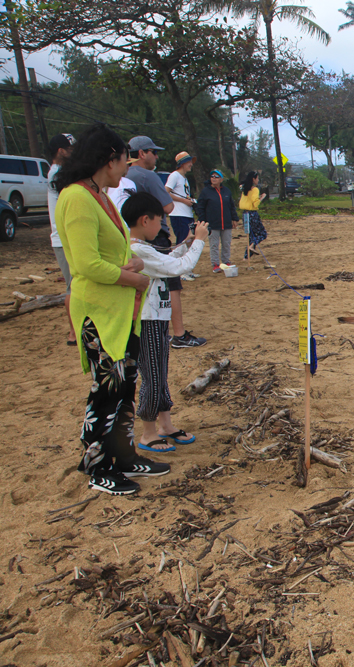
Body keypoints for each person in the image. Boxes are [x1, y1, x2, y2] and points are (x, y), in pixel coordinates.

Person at [54, 123, 171, 495]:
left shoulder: (101, 196)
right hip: (100, 314)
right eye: (124, 158)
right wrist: (134, 278)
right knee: (106, 391)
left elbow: (118, 252)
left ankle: (124, 455)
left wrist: (133, 267)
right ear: (110, 159)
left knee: (125, 388)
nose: (128, 165)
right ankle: (97, 465)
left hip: (123, 314)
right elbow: (87, 265)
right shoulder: (76, 198)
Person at [124, 192, 209, 453]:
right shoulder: (137, 249)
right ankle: (149, 433)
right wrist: (199, 243)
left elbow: (169, 259)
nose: (161, 226)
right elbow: (179, 267)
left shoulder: (144, 248)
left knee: (159, 373)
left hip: (158, 320)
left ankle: (166, 426)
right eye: (160, 221)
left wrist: (186, 242)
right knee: (151, 376)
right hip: (147, 322)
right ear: (145, 219)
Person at [128, 136, 206, 349]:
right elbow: (168, 206)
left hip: (135, 237)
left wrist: (183, 244)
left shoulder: (124, 177)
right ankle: (178, 334)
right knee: (171, 281)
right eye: (153, 152)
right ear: (142, 153)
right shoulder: (148, 176)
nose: (157, 156)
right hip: (155, 234)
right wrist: (198, 240)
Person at [46, 133, 76, 346]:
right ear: (60, 150)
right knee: (72, 287)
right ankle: (73, 333)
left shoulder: (60, 173)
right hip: (62, 239)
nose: (73, 151)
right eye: (70, 148)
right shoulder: (57, 175)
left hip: (66, 238)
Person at [195, 169, 239, 272]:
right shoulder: (206, 192)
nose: (213, 178)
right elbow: (200, 207)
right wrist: (203, 220)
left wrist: (234, 218)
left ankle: (226, 261)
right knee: (214, 244)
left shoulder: (227, 191)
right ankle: (215, 264)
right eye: (212, 176)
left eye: (216, 176)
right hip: (212, 223)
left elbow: (231, 206)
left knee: (226, 243)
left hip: (226, 223)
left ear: (221, 179)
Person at [165, 152, 199, 281]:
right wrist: (183, 201)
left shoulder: (184, 178)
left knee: (189, 241)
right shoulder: (174, 176)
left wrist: (189, 200)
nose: (191, 165)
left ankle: (187, 269)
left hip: (187, 213)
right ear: (183, 163)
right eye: (189, 162)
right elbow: (166, 191)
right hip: (178, 214)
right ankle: (181, 271)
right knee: (182, 242)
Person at [239, 170, 267, 261]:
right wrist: (261, 198)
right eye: (257, 178)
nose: (258, 180)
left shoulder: (244, 189)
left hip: (245, 214)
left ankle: (246, 257)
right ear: (253, 179)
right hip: (252, 214)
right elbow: (255, 203)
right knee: (262, 233)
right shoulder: (255, 189)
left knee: (250, 235)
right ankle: (252, 246)